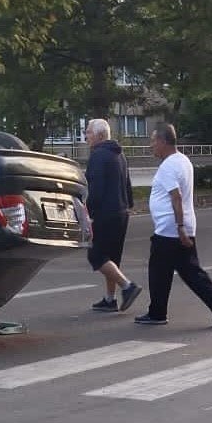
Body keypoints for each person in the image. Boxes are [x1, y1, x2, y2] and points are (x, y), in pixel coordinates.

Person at [135, 123, 212, 327]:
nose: (151, 146)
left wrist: (179, 228)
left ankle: (157, 313)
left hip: (170, 229)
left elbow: (176, 197)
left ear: (163, 141)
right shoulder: (183, 160)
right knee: (189, 269)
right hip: (181, 225)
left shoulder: (169, 166)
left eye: (153, 141)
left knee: (158, 271)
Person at [83, 118, 142, 312]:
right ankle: (110, 299)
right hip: (121, 211)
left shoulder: (98, 156)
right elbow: (127, 183)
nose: (86, 136)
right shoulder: (119, 154)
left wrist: (89, 212)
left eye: (88, 132)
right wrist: (129, 204)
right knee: (112, 257)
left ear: (99, 135)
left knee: (96, 255)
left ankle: (127, 286)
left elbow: (96, 189)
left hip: (105, 213)